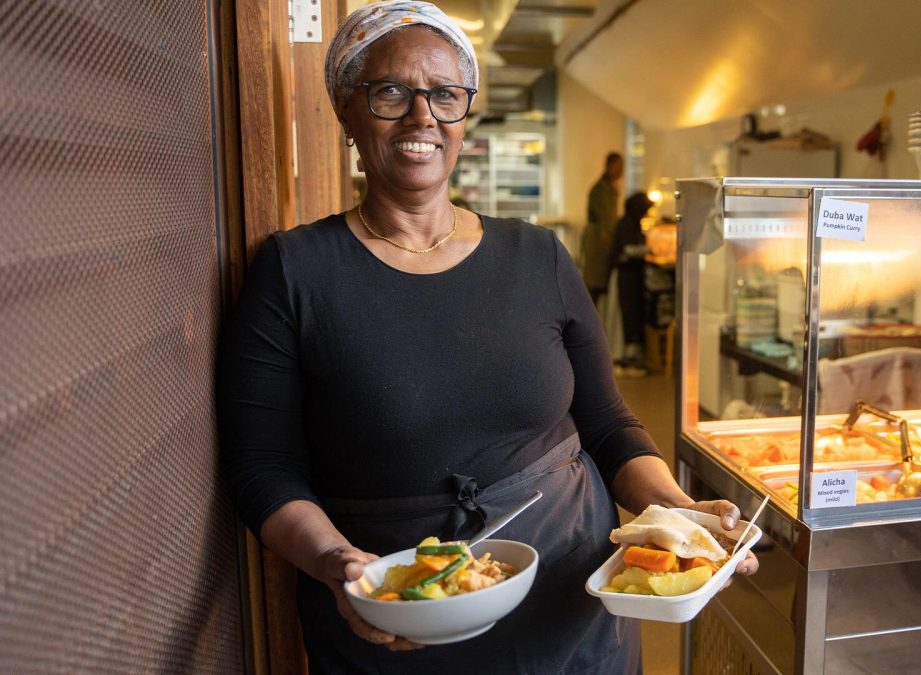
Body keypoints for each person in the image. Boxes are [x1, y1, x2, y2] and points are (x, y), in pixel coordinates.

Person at [216, 2, 757, 673]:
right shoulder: (295, 271)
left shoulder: (538, 257)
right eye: (391, 92)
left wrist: (679, 513)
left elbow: (608, 423)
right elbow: (262, 466)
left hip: (568, 597)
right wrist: (337, 562)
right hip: (396, 616)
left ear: (464, 118)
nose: (423, 118)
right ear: (346, 110)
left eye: (445, 95)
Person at [610, 192, 654, 376]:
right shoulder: (627, 224)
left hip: (630, 276)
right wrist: (650, 249)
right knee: (626, 315)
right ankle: (625, 357)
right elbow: (627, 249)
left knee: (631, 314)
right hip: (625, 277)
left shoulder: (631, 223)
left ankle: (629, 356)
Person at [580, 152, 624, 304]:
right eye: (617, 167)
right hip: (598, 244)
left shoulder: (609, 188)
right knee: (593, 287)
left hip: (602, 243)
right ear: (608, 166)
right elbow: (606, 221)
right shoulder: (601, 190)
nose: (620, 171)